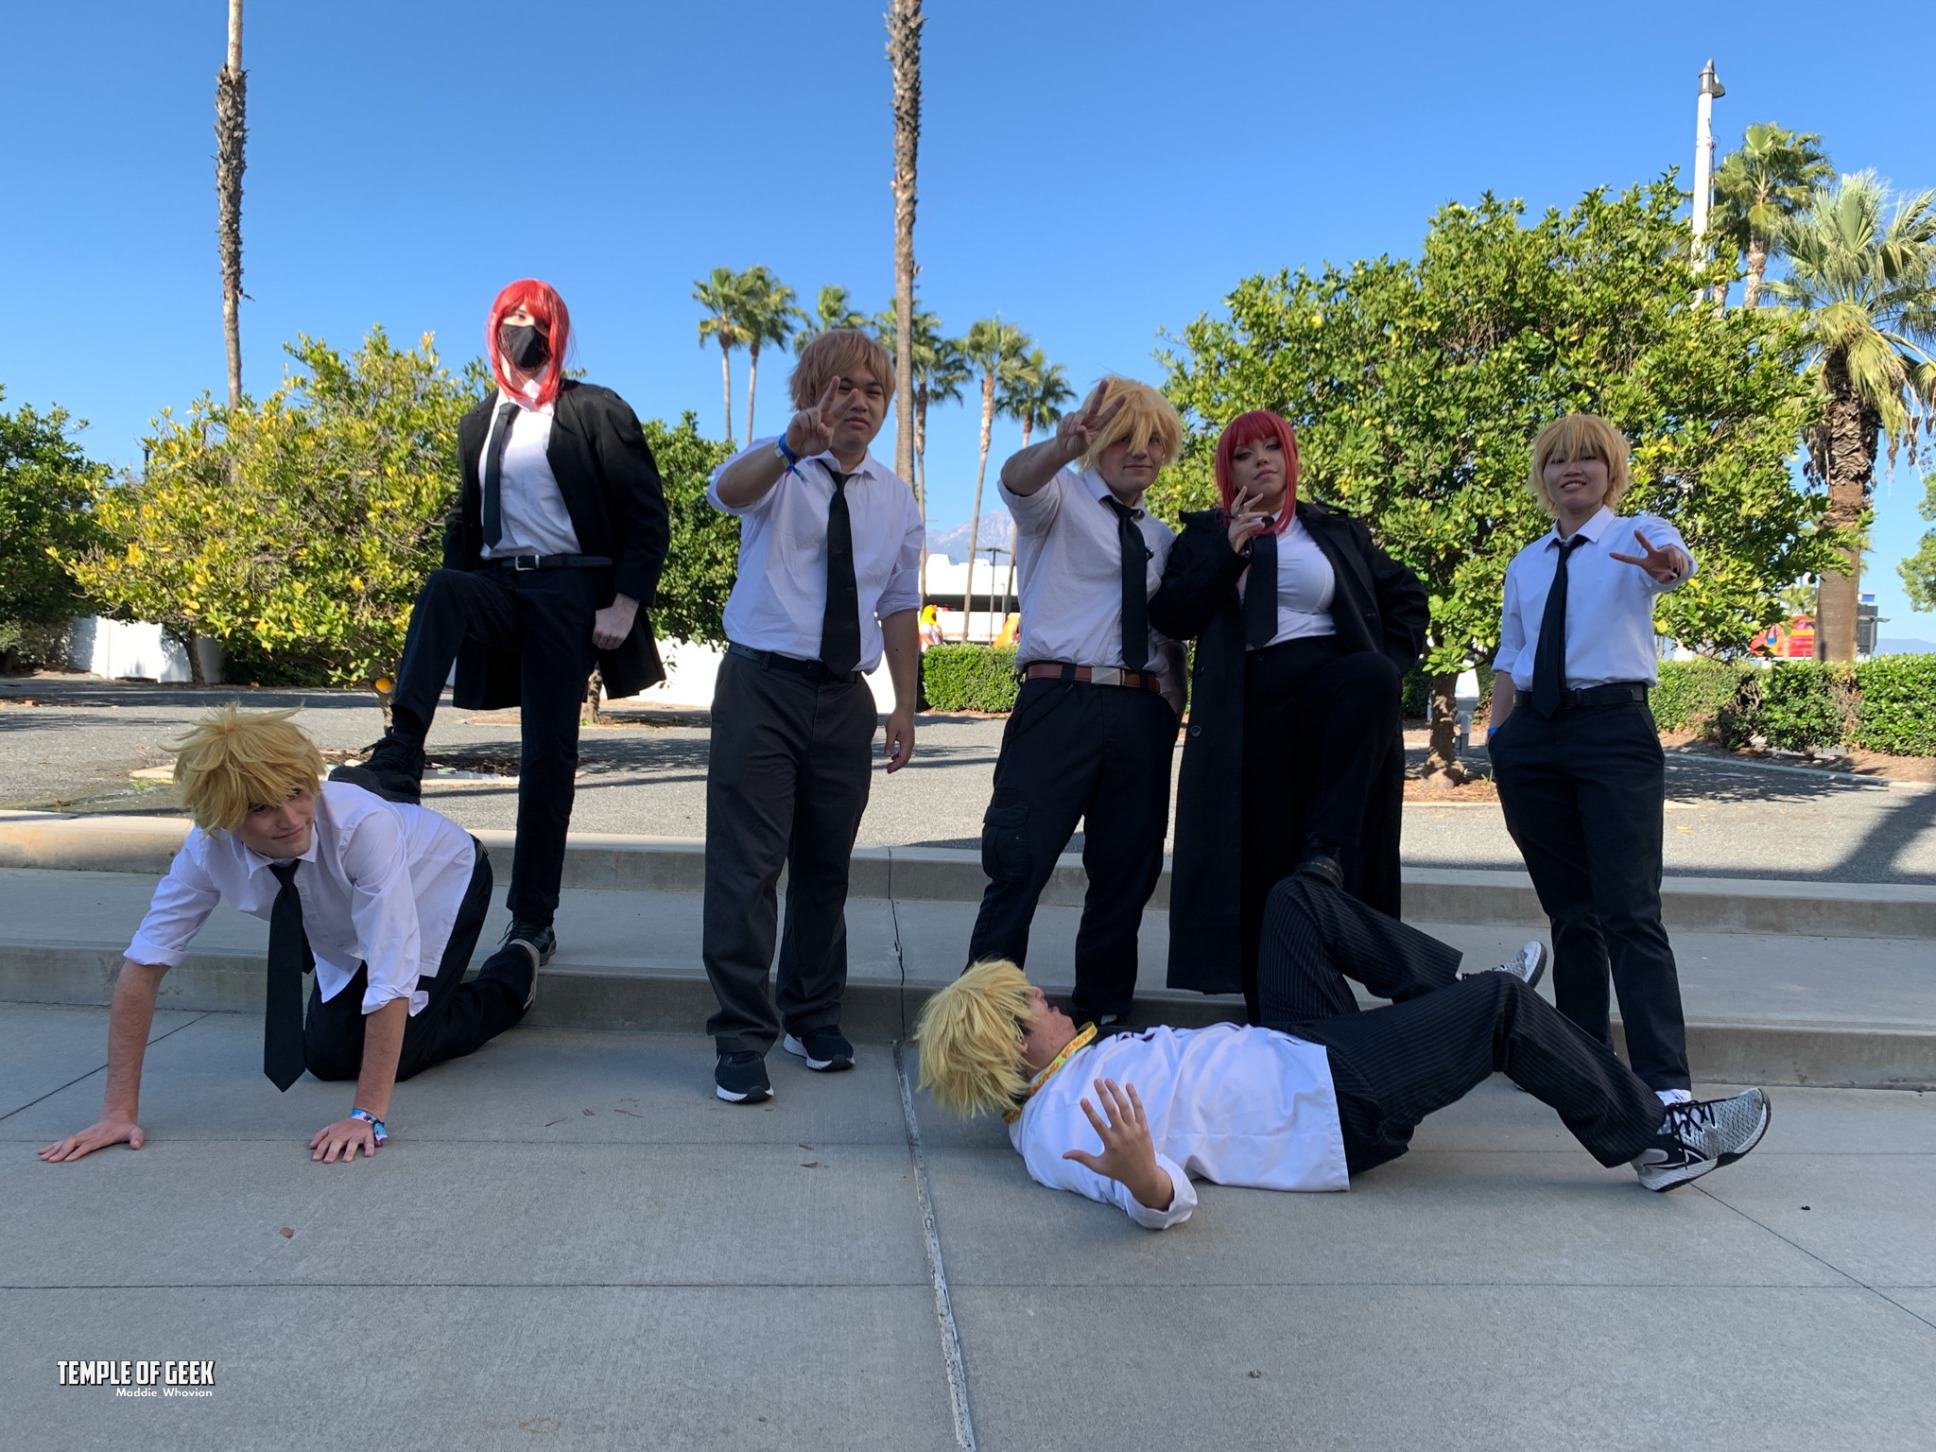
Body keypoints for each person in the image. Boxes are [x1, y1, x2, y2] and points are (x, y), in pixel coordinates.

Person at [916, 874, 1770, 1227]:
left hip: (1294, 1051)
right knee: (1503, 1012)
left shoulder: (1068, 1071)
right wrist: (1144, 1178)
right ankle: (1657, 1140)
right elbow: (1159, 1200)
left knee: (1296, 901)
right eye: (1033, 1002)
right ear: (1013, 1047)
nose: (1048, 996)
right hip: (1329, 1102)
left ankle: (1449, 985)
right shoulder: (1061, 1125)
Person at [39, 707, 533, 1166]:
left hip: (440, 878)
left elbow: (390, 972)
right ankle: (433, 1002)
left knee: (401, 1057)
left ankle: (514, 971)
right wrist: (117, 1112)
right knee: (328, 1058)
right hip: (342, 920)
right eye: (261, 808)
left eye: (297, 792)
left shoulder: (364, 825)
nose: (291, 819)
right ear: (223, 815)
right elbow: (145, 964)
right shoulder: (206, 850)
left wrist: (366, 1116)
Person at [345, 279, 669, 970]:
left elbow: (646, 514)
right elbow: (466, 520)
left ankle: (532, 921)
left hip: (568, 589)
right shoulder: (478, 423)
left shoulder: (593, 410)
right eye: (512, 317)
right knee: (443, 587)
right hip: (499, 582)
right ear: (494, 328)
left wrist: (624, 603)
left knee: (547, 755)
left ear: (556, 332)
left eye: (536, 319)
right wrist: (462, 596)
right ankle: (402, 752)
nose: (523, 329)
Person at [700, 329, 923, 1103]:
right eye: (843, 386)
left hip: (844, 698)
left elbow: (899, 604)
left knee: (827, 868)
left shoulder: (896, 499)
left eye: (874, 390)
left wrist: (903, 704)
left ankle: (811, 1014)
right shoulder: (777, 466)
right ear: (812, 391)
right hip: (761, 688)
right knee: (748, 868)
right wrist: (792, 447)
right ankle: (740, 1037)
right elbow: (727, 492)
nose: (859, 401)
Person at [1150, 410, 1429, 1020]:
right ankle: (1274, 1020)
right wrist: (1227, 552)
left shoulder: (1333, 530)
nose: (1261, 460)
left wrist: (1385, 659)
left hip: (1328, 685)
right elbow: (1172, 616)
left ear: (1290, 456)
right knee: (1263, 869)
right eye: (1244, 453)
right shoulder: (1202, 537)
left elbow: (1408, 598)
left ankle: (1330, 849)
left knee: (1374, 676)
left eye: (1272, 447)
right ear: (1229, 471)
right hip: (1245, 709)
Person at [965, 378, 1189, 1028]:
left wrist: (1173, 703)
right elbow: (1015, 479)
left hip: (1141, 713)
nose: (1141, 452)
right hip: (1058, 702)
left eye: (1154, 441)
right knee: (1018, 863)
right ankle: (983, 1030)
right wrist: (1062, 446)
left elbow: (1167, 631)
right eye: (1125, 438)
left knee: (1126, 875)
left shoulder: (1164, 539)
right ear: (1098, 442)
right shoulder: (1058, 497)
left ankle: (1105, 1018)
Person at [1487, 414, 1698, 1104]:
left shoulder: (1637, 536)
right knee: (1571, 912)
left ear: (1611, 472)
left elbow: (1673, 563)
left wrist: (1668, 566)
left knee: (1630, 910)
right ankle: (1582, 1063)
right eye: (1558, 460)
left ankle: (1664, 1085)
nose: (1571, 469)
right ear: (1543, 475)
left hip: (1612, 731)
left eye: (1587, 459)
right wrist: (1500, 737)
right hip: (1532, 737)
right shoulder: (1526, 562)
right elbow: (1512, 653)